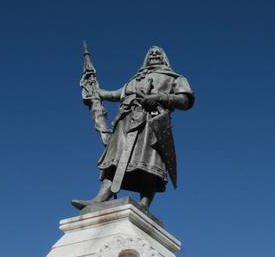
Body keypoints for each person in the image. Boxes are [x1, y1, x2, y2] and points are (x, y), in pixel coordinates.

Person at [73, 46, 195, 209]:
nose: (153, 55)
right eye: (150, 53)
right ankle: (101, 197)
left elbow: (185, 101)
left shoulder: (175, 78)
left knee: (147, 161)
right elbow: (116, 94)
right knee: (114, 159)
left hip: (151, 120)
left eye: (157, 53)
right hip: (125, 121)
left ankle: (144, 203)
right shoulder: (135, 79)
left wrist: (160, 97)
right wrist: (96, 91)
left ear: (164, 58)